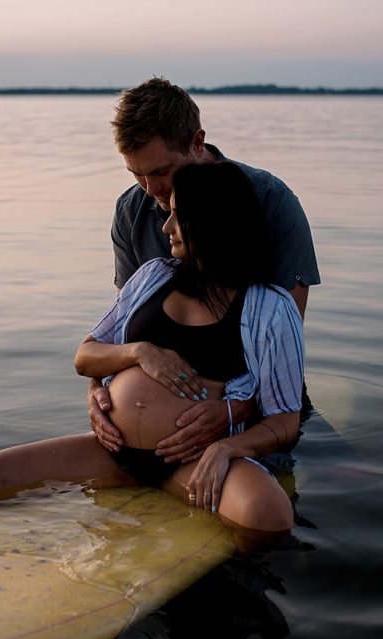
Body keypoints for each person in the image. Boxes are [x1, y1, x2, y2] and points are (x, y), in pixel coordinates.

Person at [0, 162, 305, 534]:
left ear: (211, 222)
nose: (166, 227)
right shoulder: (152, 277)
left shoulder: (269, 309)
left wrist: (226, 449)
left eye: (178, 217)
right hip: (112, 453)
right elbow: (86, 356)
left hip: (193, 460)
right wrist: (138, 352)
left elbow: (285, 421)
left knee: (270, 515)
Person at [88, 77, 319, 462]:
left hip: (254, 421)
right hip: (144, 444)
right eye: (135, 174)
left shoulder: (270, 201)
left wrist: (232, 413)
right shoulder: (132, 211)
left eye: (161, 171)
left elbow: (280, 336)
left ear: (197, 142)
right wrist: (99, 390)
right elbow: (120, 331)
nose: (151, 190)